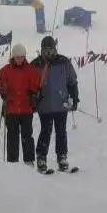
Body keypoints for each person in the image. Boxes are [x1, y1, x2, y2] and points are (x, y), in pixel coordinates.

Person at [30, 36, 79, 173]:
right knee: (45, 130)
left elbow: (72, 82)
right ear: (41, 49)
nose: (48, 52)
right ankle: (41, 158)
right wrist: (31, 101)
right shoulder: (35, 64)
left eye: (50, 49)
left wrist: (75, 99)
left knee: (61, 131)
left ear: (55, 48)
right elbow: (29, 85)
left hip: (61, 104)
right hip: (44, 104)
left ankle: (62, 157)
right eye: (45, 49)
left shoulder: (63, 62)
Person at [0, 43, 41, 165]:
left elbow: (36, 84)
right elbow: (0, 85)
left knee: (27, 135)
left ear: (25, 56)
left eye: (22, 57)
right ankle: (13, 161)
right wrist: (3, 92)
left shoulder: (30, 70)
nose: (19, 59)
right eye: (17, 57)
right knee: (12, 136)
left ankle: (29, 160)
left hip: (26, 108)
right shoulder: (5, 71)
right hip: (11, 108)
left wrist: (34, 92)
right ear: (13, 57)